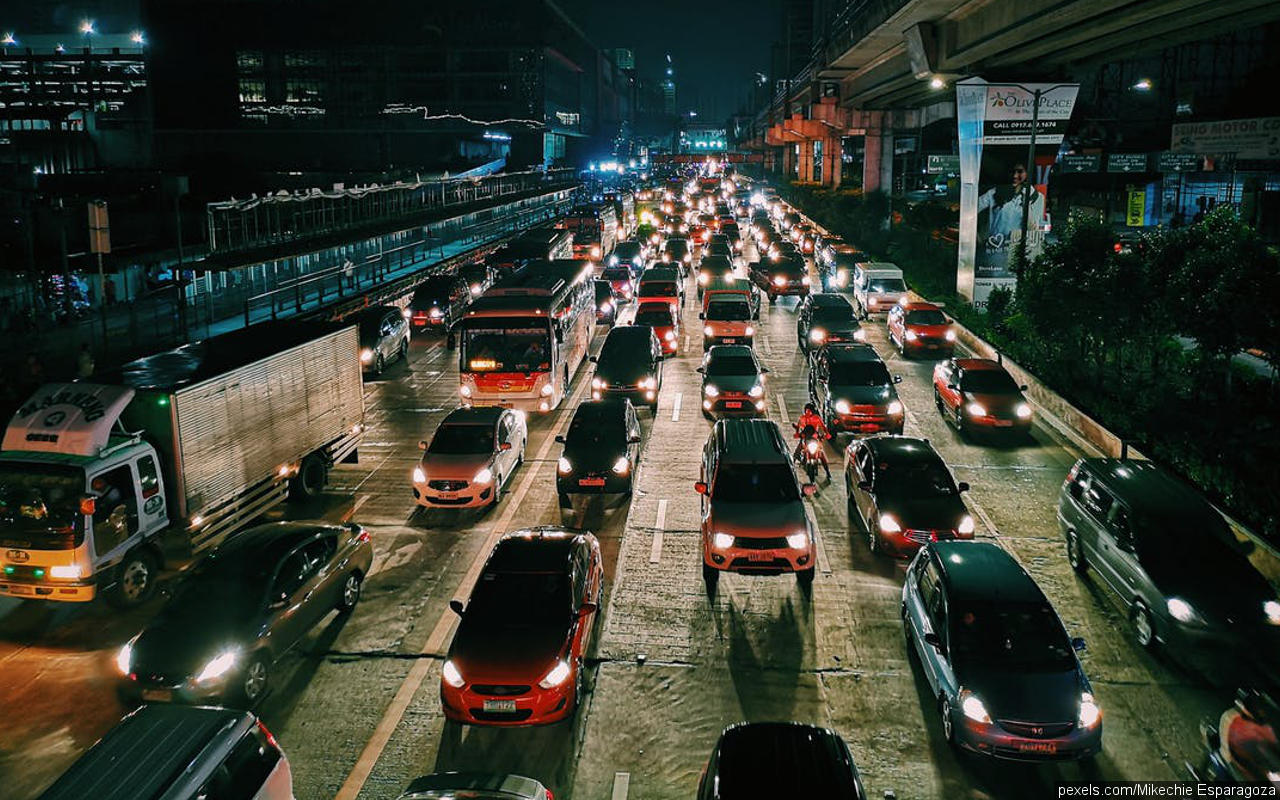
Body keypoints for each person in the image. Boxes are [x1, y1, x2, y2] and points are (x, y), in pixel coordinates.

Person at [1219, 689, 1280, 783]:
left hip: (1261, 761)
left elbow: (1272, 741)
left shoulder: (1263, 723)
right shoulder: (1235, 721)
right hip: (1237, 761)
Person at [792, 402, 831, 479]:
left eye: (809, 411)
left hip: (815, 439)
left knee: (821, 455)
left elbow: (823, 427)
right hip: (805, 438)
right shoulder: (802, 418)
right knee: (798, 450)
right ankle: (792, 465)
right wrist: (797, 433)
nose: (808, 412)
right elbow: (798, 427)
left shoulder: (817, 418)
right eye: (807, 410)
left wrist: (826, 434)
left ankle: (827, 472)